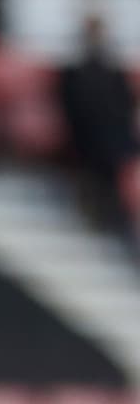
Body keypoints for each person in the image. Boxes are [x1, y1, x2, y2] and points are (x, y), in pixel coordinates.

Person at [55, 13, 140, 239]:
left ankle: (114, 216)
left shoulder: (114, 70)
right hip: (85, 137)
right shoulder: (74, 70)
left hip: (113, 138)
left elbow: (124, 103)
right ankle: (93, 214)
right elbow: (69, 103)